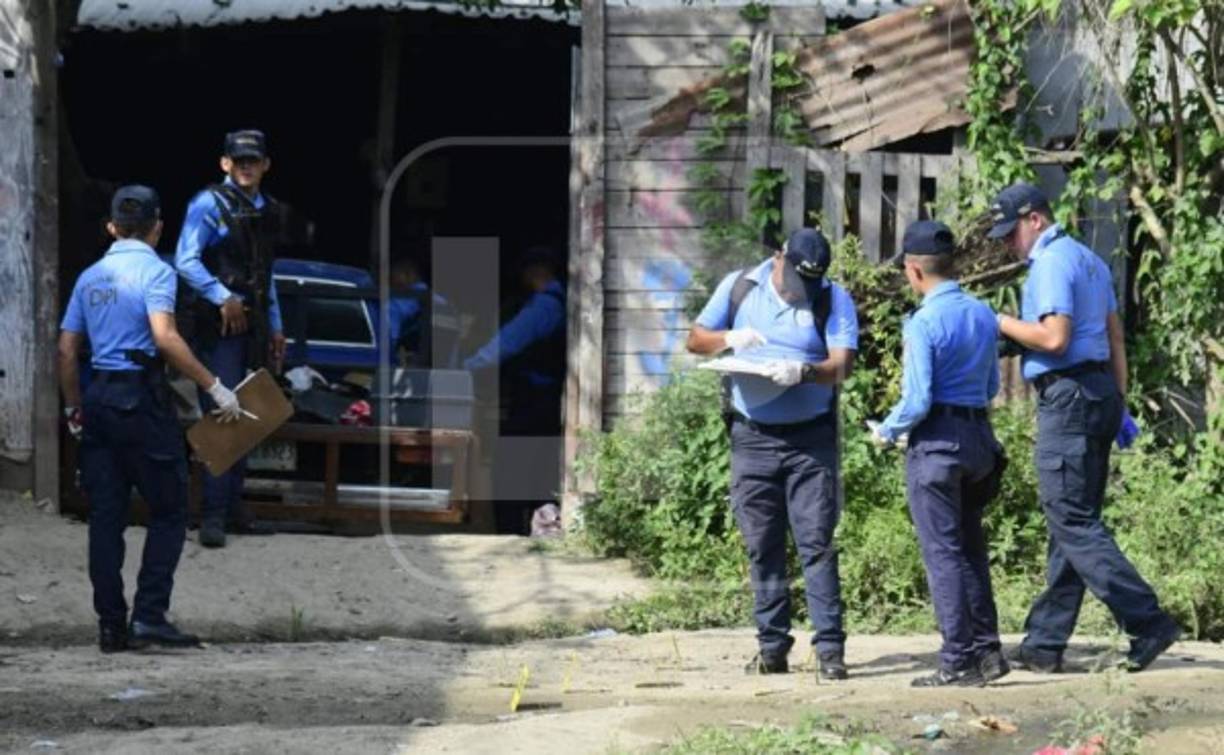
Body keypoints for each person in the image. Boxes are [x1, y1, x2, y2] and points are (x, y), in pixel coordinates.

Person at [991, 182, 1181, 673]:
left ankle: (1148, 621)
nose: (1008, 243)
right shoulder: (1090, 261)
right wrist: (1118, 401)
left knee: (1071, 520)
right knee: (1073, 522)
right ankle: (1045, 643)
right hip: (1097, 394)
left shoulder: (1052, 262)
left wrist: (1000, 322)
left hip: (1069, 398)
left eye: (1011, 233)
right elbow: (1115, 337)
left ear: (1035, 219)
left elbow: (1055, 338)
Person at [59, 186, 246, 653]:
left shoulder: (89, 278)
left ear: (111, 228)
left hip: (99, 399)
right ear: (158, 228)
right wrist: (215, 387)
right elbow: (165, 337)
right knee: (169, 509)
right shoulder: (158, 272)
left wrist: (74, 408)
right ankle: (148, 616)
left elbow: (65, 350)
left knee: (106, 518)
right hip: (141, 398)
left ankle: (110, 627)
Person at [686, 228, 858, 681]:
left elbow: (843, 364)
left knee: (816, 544)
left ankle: (830, 652)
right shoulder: (740, 287)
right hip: (752, 438)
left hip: (811, 441)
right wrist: (731, 338)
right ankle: (772, 647)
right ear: (779, 259)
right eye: (797, 282)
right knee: (762, 546)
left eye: (810, 285)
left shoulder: (833, 298)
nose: (802, 293)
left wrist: (804, 372)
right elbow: (695, 340)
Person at [869, 220, 1009, 687]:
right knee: (970, 548)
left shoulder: (924, 322)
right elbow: (990, 386)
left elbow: (917, 400)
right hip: (978, 440)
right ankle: (988, 651)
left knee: (943, 554)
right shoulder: (983, 313)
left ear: (914, 270)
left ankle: (957, 660)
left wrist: (887, 431)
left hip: (937, 446)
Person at [174, 129, 285, 547]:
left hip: (253, 326)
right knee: (224, 410)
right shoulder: (208, 203)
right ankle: (212, 514)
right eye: (239, 160)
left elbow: (266, 274)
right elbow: (186, 260)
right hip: (218, 326)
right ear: (225, 163)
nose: (246, 166)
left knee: (253, 409)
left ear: (265, 165)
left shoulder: (268, 209)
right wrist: (223, 297)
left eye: (253, 160)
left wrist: (276, 325)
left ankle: (233, 506)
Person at [462, 247, 567, 532]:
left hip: (535, 398)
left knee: (511, 468)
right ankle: (531, 526)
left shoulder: (545, 305)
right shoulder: (557, 301)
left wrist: (465, 367)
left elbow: (506, 344)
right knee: (537, 467)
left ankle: (511, 531)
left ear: (534, 272)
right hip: (543, 399)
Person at [387, 257, 460, 369]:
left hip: (409, 371)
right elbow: (453, 349)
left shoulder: (398, 303)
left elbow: (390, 339)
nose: (390, 282)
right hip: (442, 372)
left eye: (393, 276)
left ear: (407, 274)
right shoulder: (445, 304)